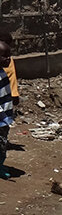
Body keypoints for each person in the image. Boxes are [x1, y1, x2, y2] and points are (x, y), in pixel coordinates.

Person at [0, 28, 16, 179]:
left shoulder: (3, 72)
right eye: (4, 56)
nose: (8, 60)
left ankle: (0, 164)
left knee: (2, 143)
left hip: (4, 118)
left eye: (9, 56)